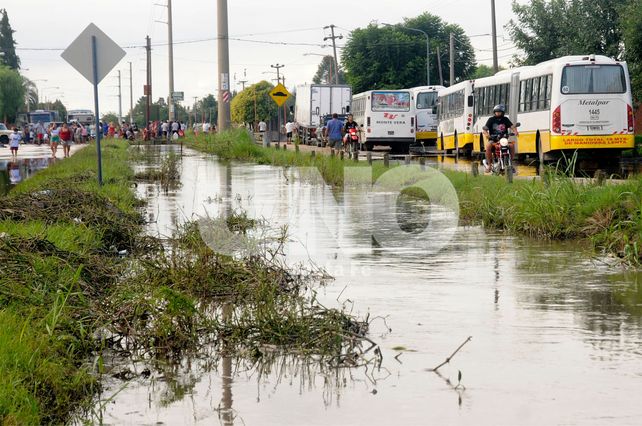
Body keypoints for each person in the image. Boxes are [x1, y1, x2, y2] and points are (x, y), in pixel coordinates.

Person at [482, 104, 517, 173]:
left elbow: (512, 126)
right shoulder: (491, 120)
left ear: (502, 112)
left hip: (504, 139)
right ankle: (489, 165)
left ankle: (511, 164)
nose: (497, 113)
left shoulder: (505, 119)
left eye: (499, 112)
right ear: (494, 112)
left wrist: (515, 131)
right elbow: (485, 130)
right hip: (493, 140)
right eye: (496, 112)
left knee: (511, 146)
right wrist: (487, 135)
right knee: (488, 146)